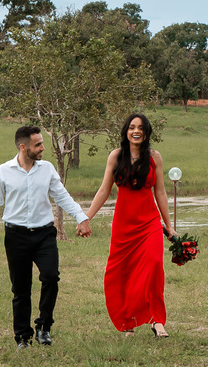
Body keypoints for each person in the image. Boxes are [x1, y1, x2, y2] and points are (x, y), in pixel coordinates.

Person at [0, 125, 90, 349]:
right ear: (23, 147)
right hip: (16, 235)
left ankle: (44, 327)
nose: (43, 148)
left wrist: (82, 217)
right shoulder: (4, 171)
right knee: (20, 289)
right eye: (38, 144)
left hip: (44, 234)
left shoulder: (47, 169)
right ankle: (23, 336)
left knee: (50, 277)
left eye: (42, 143)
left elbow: (62, 196)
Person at [84, 113, 175, 338]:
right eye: (132, 127)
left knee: (154, 265)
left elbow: (161, 192)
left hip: (150, 221)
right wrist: (86, 217)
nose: (136, 131)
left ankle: (157, 320)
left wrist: (169, 226)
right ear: (126, 131)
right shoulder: (115, 156)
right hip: (124, 223)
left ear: (146, 132)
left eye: (141, 128)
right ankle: (128, 322)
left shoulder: (155, 157)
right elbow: (104, 190)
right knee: (122, 273)